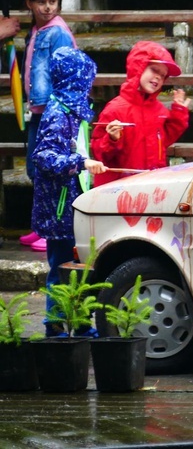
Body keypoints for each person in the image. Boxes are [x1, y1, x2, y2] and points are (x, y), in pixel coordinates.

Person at [31, 47, 107, 337]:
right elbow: (44, 156)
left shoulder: (75, 114)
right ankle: (54, 323)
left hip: (74, 204)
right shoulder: (57, 113)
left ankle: (80, 321)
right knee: (60, 269)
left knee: (80, 267)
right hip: (59, 209)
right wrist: (80, 162)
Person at [20, 0, 78, 252]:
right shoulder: (34, 31)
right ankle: (40, 225)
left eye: (52, 2)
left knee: (52, 172)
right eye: (41, 2)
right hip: (37, 110)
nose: (47, 8)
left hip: (53, 112)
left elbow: (67, 73)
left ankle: (53, 229)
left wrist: (62, 110)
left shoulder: (58, 32)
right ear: (29, 4)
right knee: (35, 168)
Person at [91, 40, 190, 186]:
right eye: (154, 70)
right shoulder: (115, 108)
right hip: (119, 188)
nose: (158, 77)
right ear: (139, 67)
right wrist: (112, 139)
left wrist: (179, 113)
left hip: (152, 184)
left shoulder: (159, 110)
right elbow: (100, 153)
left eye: (163, 76)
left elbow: (166, 138)